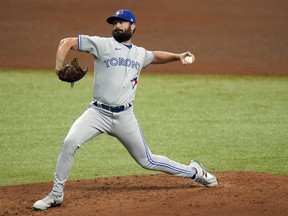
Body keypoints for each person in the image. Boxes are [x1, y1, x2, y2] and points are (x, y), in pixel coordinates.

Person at [33, 9, 218, 211]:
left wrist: (177, 56)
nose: (117, 26)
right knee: (70, 142)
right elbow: (65, 42)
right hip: (97, 113)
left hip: (124, 117)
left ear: (133, 26)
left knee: (147, 160)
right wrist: (59, 67)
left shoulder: (140, 53)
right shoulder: (102, 44)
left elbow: (155, 56)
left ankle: (195, 172)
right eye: (114, 23)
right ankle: (56, 194)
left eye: (121, 22)